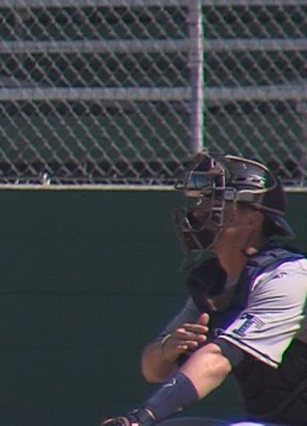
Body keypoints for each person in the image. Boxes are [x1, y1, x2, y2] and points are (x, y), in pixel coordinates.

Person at [101, 151, 307, 426]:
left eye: (217, 201)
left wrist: (141, 417)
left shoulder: (288, 275)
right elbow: (153, 369)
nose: (199, 210)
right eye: (201, 200)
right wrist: (167, 348)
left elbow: (218, 359)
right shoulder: (214, 283)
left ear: (253, 218)